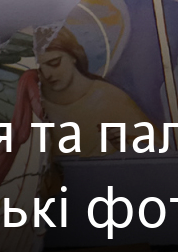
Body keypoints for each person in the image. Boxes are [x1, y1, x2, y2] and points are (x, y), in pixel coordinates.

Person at [38, 27, 153, 156]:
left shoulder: (110, 98)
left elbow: (154, 150)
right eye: (38, 69)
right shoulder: (34, 103)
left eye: (54, 63)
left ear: (73, 56)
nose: (47, 75)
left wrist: (123, 144)